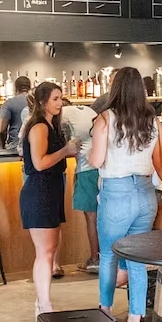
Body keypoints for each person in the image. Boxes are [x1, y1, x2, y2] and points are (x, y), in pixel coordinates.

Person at [89, 67, 162, 322]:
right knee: (136, 262)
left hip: (116, 194)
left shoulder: (105, 118)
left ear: (115, 88)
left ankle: (105, 316)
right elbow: (160, 162)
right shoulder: (154, 121)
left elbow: (96, 161)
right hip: (145, 195)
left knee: (109, 257)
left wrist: (87, 150)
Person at [20, 82, 80, 314]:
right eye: (55, 98)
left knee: (49, 249)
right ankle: (43, 304)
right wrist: (66, 151)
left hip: (50, 192)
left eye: (61, 98)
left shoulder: (51, 126)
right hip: (39, 193)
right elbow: (39, 163)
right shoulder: (39, 127)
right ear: (43, 101)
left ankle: (43, 302)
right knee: (45, 252)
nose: (60, 103)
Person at [61, 97, 103, 275]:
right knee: (104, 215)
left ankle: (95, 260)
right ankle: (107, 259)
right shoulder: (88, 110)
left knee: (91, 217)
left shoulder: (62, 113)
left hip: (86, 169)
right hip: (103, 167)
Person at [0, 76, 32, 152]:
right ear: (30, 88)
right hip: (35, 148)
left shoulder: (9, 103)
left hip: (15, 148)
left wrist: (2, 147)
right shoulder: (37, 102)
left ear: (15, 88)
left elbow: (1, 130)